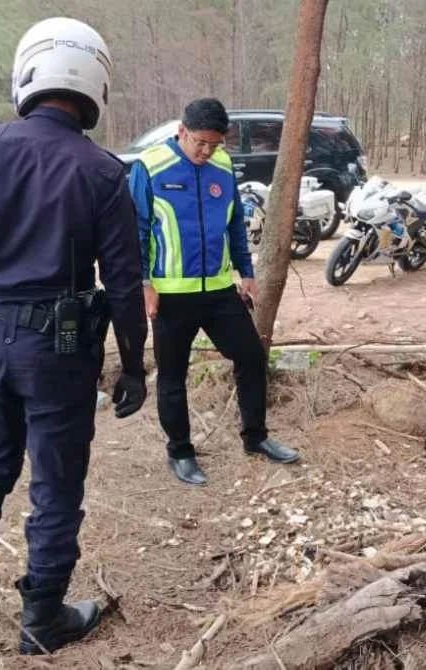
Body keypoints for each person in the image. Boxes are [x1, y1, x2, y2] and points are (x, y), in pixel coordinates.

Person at [0, 17, 148, 655]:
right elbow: (126, 283)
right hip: (58, 349)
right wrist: (132, 364)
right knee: (55, 483)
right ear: (95, 84)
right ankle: (41, 618)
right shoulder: (103, 173)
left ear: (30, 73)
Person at [128, 98, 301, 487]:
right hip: (170, 295)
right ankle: (181, 451)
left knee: (251, 357)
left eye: (215, 144)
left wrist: (246, 271)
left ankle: (255, 437)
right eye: (200, 143)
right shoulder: (150, 168)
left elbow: (235, 224)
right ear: (182, 133)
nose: (207, 151)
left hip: (220, 291)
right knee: (172, 375)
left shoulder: (222, 167)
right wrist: (145, 284)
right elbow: (135, 232)